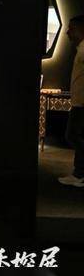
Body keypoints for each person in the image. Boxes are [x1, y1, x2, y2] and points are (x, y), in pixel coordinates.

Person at [59, 15, 84, 187]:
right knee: (75, 136)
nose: (68, 32)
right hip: (78, 102)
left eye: (71, 28)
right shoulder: (80, 49)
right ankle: (78, 173)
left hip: (81, 103)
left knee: (73, 135)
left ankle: (80, 174)